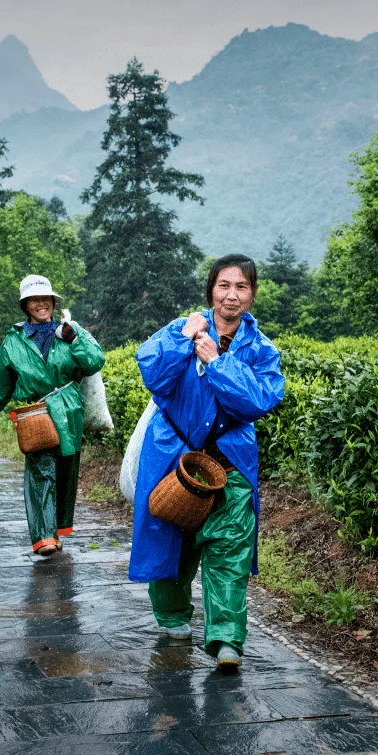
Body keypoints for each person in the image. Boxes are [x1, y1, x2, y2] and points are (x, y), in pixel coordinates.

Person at [129, 254, 285, 671]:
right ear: (211, 290)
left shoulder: (262, 349)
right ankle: (174, 618)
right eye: (224, 286)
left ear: (252, 294)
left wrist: (217, 362)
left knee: (229, 554)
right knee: (170, 544)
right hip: (173, 462)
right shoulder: (182, 329)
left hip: (230, 466)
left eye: (242, 287)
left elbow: (255, 402)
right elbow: (154, 376)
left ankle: (227, 640)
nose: (232, 296)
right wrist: (183, 339)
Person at [0, 275, 105, 557]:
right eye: (34, 299)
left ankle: (56, 530)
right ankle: (44, 536)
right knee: (41, 471)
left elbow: (95, 361)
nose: (41, 304)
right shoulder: (13, 342)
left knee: (66, 473)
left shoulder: (70, 331)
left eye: (46, 298)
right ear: (26, 305)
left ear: (54, 303)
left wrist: (75, 339)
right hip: (36, 414)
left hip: (69, 412)